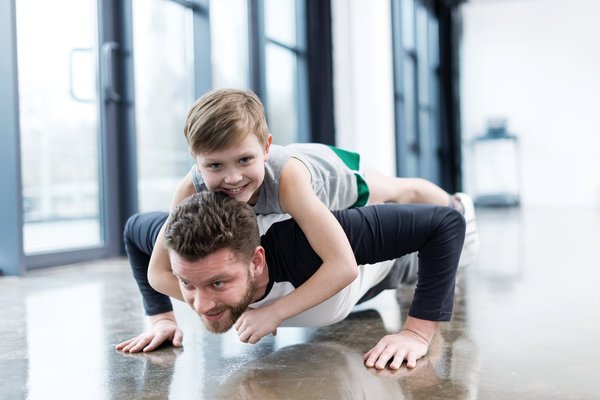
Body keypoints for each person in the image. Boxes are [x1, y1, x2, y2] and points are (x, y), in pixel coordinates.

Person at [147, 88, 478, 344]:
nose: (232, 178)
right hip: (301, 192)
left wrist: (273, 312)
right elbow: (158, 273)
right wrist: (230, 305)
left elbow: (343, 265)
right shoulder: (190, 191)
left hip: (334, 177)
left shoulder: (288, 182)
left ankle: (454, 204)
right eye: (215, 166)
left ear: (265, 148)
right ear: (196, 160)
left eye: (244, 160)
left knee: (403, 192)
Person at [117, 191, 465, 370]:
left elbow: (445, 225)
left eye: (218, 283)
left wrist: (418, 331)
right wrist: (161, 316)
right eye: (188, 284)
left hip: (389, 268)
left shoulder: (305, 241)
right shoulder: (180, 247)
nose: (201, 306)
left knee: (460, 232)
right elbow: (134, 230)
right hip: (329, 307)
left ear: (256, 261)